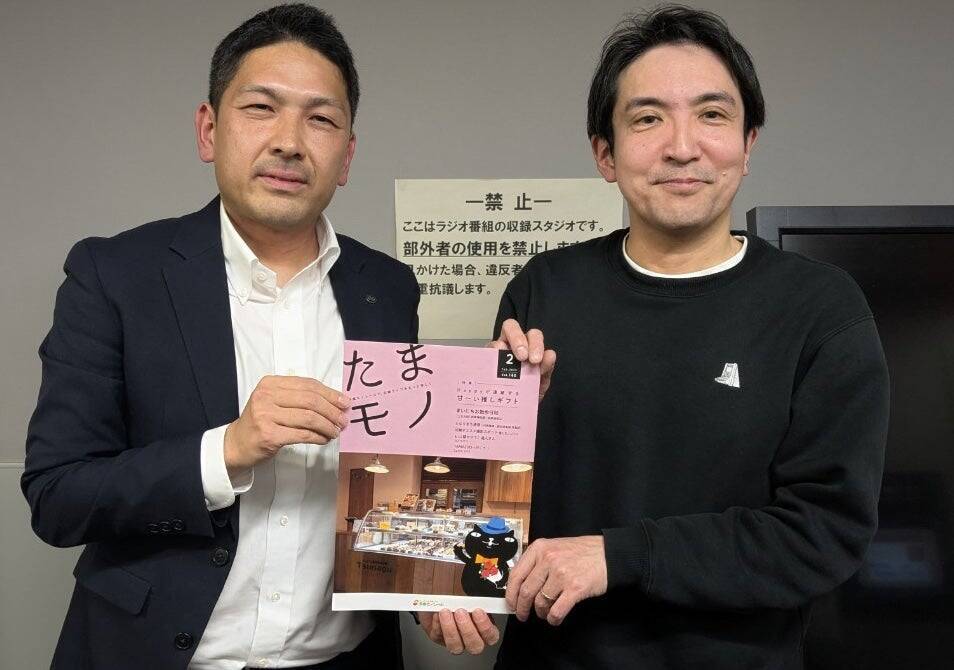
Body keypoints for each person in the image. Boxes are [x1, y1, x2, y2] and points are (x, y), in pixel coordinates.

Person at [483, 5, 887, 669]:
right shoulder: (544, 290)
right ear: (605, 153)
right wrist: (503, 425)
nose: (681, 146)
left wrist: (619, 557)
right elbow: (489, 493)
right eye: (647, 118)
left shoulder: (819, 308)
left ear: (748, 144)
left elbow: (825, 533)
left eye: (712, 115)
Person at [24, 5, 421, 669]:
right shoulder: (115, 275)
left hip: (345, 657)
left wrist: (510, 399)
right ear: (209, 129)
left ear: (347, 154)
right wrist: (227, 451)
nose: (289, 141)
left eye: (321, 119)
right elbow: (57, 497)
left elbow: (396, 481)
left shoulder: (387, 286)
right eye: (261, 108)